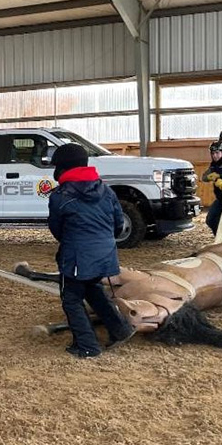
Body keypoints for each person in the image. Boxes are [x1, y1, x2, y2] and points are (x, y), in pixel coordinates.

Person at [47, 143, 134, 358]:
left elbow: (57, 229)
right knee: (93, 290)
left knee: (71, 298)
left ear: (64, 168)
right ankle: (120, 329)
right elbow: (118, 224)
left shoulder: (60, 196)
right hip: (105, 255)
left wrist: (75, 243)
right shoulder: (106, 190)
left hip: (77, 257)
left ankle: (87, 345)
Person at [200, 141, 222, 236]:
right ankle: (220, 238)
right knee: (210, 220)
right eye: (213, 153)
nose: (215, 156)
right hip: (220, 198)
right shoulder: (214, 165)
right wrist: (212, 175)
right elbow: (204, 177)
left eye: (217, 153)